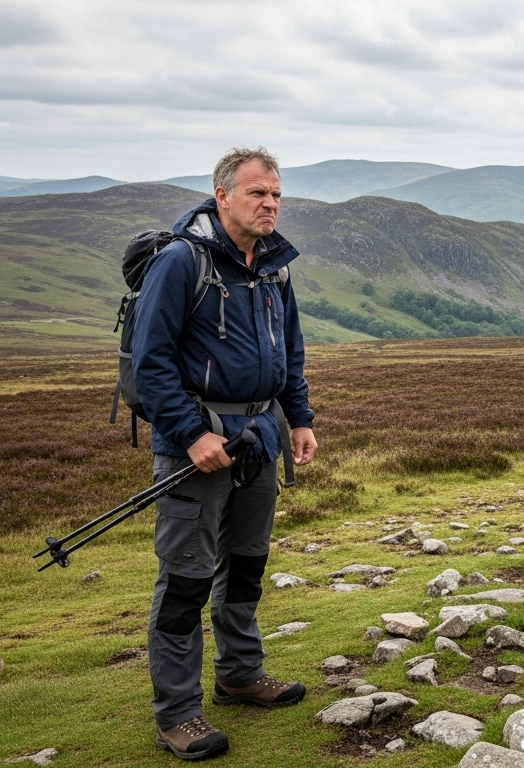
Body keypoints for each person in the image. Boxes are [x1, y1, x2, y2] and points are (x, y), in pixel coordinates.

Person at [131, 147, 318, 760]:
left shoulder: (274, 267)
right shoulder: (181, 263)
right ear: (222, 196)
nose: (270, 204)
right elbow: (150, 364)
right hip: (198, 448)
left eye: (276, 195)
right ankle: (177, 715)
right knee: (185, 580)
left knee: (245, 565)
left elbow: (289, 351)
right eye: (258, 193)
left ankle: (240, 674)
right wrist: (191, 433)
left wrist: (299, 419)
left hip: (260, 440)